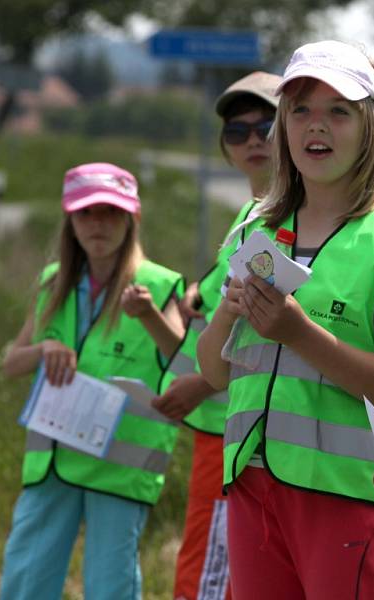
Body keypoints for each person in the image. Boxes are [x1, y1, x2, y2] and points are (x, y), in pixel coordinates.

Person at [197, 40, 374, 599]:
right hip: (252, 487)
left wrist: (299, 333)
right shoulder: (255, 230)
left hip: (346, 496)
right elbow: (214, 373)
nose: (315, 126)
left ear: (370, 126)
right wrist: (228, 314)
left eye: (338, 111)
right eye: (300, 109)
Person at [0, 162, 185, 599]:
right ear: (70, 220)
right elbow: (11, 363)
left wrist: (150, 316)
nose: (97, 224)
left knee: (110, 587)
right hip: (53, 462)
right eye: (86, 213)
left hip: (118, 470)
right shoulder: (52, 282)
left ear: (131, 219)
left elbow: (189, 365)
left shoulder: (159, 285)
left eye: (110, 212)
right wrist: (43, 350)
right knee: (25, 581)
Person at [155, 70, 282, 600]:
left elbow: (269, 332)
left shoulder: (283, 218)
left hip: (236, 427)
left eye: (266, 125)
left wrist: (199, 386)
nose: (252, 139)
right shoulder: (249, 216)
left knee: (208, 573)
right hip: (223, 428)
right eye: (236, 131)